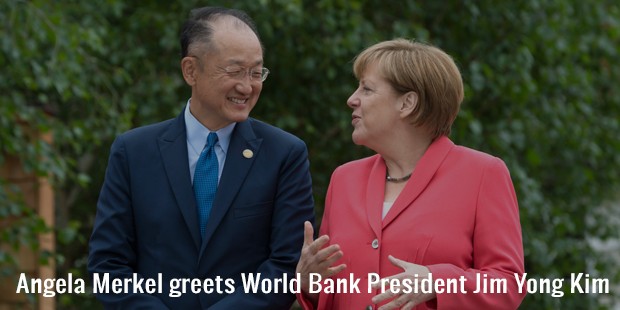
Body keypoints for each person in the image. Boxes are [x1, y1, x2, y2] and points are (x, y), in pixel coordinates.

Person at [88, 6, 315, 309]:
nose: (247, 86)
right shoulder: (133, 152)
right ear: (190, 70)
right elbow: (108, 265)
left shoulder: (285, 154)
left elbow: (287, 264)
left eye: (256, 72)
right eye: (234, 71)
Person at [296, 39, 525, 310]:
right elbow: (333, 291)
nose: (352, 99)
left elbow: (508, 284)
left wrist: (436, 281)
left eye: (367, 89)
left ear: (407, 103)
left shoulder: (484, 173)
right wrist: (309, 283)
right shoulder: (344, 179)